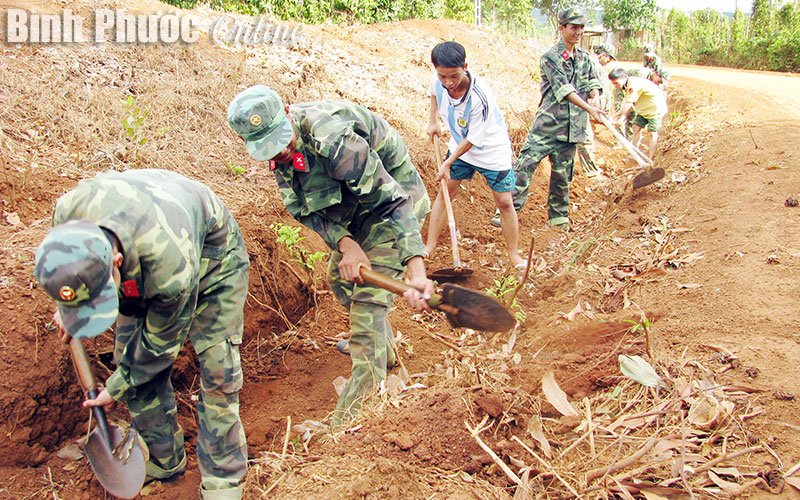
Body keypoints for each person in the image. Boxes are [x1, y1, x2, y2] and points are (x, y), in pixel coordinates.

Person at [33, 169, 250, 500]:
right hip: (145, 236)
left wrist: (117, 385)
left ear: (115, 261)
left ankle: (224, 477)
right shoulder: (67, 216)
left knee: (218, 369)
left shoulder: (170, 270)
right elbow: (64, 273)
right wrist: (70, 308)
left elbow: (160, 345)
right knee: (127, 359)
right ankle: (164, 460)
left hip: (212, 260)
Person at [227, 85, 433, 427]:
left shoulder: (333, 139)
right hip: (354, 211)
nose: (278, 154)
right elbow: (302, 208)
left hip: (395, 204)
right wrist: (345, 243)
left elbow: (394, 203)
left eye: (282, 142)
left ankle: (353, 421)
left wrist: (416, 268)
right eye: (269, 150)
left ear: (287, 115)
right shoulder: (279, 152)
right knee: (341, 279)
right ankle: (384, 352)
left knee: (368, 306)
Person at [492, 7, 603, 231]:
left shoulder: (585, 59)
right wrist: (590, 109)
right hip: (548, 126)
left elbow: (593, 84)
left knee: (563, 174)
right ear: (562, 28)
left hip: (572, 129)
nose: (578, 32)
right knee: (525, 166)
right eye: (573, 27)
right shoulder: (551, 57)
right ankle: (507, 211)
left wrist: (596, 102)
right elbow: (565, 90)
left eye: (581, 27)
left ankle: (559, 219)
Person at [424, 41, 526, 270]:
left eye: (454, 76)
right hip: (460, 145)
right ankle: (429, 247)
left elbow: (474, 139)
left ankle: (514, 255)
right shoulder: (438, 79)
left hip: (491, 150)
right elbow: (433, 93)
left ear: (465, 67)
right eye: (443, 76)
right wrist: (433, 120)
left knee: (504, 202)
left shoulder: (480, 96)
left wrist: (448, 163)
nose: (448, 82)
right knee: (445, 192)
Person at [574, 42, 618, 180]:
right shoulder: (593, 64)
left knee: (585, 137)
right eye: (609, 58)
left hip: (586, 108)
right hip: (580, 107)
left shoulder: (591, 64)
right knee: (585, 139)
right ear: (603, 55)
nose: (609, 61)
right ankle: (591, 173)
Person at [608, 68, 668, 160]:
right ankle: (634, 154)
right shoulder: (626, 86)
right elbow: (630, 103)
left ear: (624, 77)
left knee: (652, 133)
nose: (615, 86)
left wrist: (615, 116)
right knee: (636, 127)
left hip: (655, 110)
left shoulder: (633, 85)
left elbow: (628, 104)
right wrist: (622, 118)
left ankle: (650, 159)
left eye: (616, 83)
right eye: (613, 84)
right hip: (644, 110)